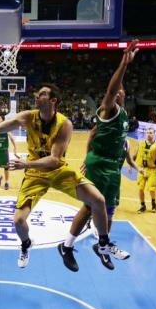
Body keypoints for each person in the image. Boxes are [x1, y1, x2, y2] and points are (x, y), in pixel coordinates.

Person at [0, 83, 114, 269]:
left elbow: (55, 160)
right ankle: (26, 244)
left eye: (41, 94)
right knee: (18, 220)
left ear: (53, 101)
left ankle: (103, 244)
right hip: (35, 175)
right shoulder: (28, 117)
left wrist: (25, 164)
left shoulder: (65, 124)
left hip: (57, 171)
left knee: (98, 199)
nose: (36, 96)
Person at [58, 40, 140, 272]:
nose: (119, 90)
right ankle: (67, 245)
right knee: (90, 207)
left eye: (122, 89)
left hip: (113, 166)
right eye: (117, 90)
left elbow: (93, 134)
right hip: (101, 164)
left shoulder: (123, 114)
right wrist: (124, 63)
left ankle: (102, 247)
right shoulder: (109, 110)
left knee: (110, 208)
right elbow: (112, 90)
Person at [134, 127, 156, 213]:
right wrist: (131, 167)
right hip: (141, 169)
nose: (149, 134)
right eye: (148, 132)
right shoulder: (140, 144)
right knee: (140, 188)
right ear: (145, 134)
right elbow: (134, 156)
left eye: (151, 133)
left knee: (152, 189)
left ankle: (153, 203)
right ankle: (142, 205)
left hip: (152, 170)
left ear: (154, 134)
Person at [0, 114, 19, 190]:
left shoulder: (6, 129)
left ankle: (6, 182)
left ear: (2, 120)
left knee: (6, 168)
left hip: (4, 152)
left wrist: (15, 150)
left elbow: (12, 140)